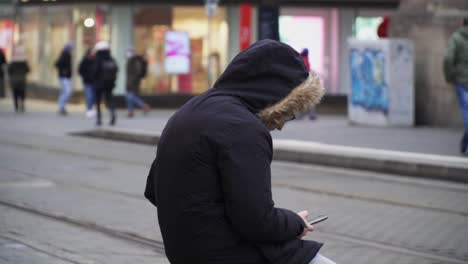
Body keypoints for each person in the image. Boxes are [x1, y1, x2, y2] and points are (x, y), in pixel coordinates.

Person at [144, 40, 333, 264]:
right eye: (288, 112)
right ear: (278, 94)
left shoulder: (189, 110)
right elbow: (257, 222)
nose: (282, 124)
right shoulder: (244, 128)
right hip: (228, 254)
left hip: (184, 252)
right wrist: (295, 224)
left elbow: (153, 190)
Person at [444, 17, 468, 154]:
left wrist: (449, 76)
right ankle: (465, 142)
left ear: (462, 24)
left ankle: (465, 142)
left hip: (462, 80)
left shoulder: (456, 38)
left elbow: (448, 58)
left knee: (466, 110)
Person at [92, 41, 118, 126]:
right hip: (109, 83)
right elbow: (116, 69)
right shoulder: (111, 58)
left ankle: (99, 119)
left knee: (98, 101)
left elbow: (95, 71)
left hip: (99, 84)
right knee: (109, 99)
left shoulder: (98, 58)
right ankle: (113, 113)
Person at [125, 48, 150, 117]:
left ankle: (143, 105)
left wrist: (132, 82)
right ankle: (130, 111)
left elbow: (136, 73)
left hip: (132, 82)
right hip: (133, 82)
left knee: (130, 97)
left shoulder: (133, 61)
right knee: (130, 97)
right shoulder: (134, 61)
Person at [8, 45, 29, 112]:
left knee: (15, 93)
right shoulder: (24, 61)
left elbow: (9, 70)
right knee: (22, 92)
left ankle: (16, 106)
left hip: (14, 79)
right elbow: (28, 70)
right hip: (22, 79)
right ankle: (22, 103)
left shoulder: (13, 61)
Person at [55, 42, 73, 115]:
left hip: (65, 76)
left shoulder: (66, 54)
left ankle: (61, 107)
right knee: (67, 91)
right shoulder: (65, 54)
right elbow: (57, 64)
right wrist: (64, 71)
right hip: (64, 77)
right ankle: (61, 106)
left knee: (64, 92)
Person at [300, 48, 318, 120]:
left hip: (303, 82)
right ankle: (311, 114)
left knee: (302, 98)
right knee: (309, 98)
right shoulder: (306, 60)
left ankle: (305, 114)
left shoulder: (302, 59)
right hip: (307, 82)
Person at [78, 48, 96, 118]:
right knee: (89, 96)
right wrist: (85, 76)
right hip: (87, 81)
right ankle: (89, 109)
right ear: (89, 53)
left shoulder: (96, 60)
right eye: (92, 52)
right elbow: (80, 70)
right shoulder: (85, 60)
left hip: (95, 82)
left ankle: (91, 108)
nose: (93, 54)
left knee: (94, 97)